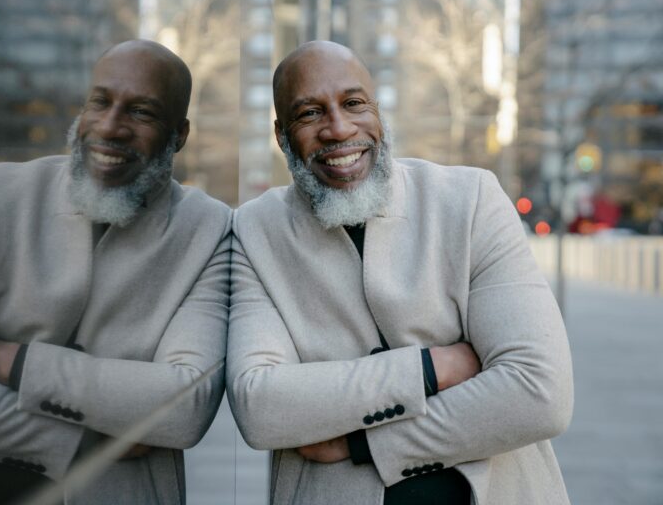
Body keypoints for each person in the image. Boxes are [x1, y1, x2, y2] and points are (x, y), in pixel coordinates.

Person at [227, 40, 573, 504]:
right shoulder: (255, 228)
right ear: (280, 134)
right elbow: (261, 407)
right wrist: (433, 368)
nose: (338, 128)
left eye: (354, 104)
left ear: (378, 112)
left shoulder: (471, 200)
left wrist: (362, 443)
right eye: (309, 113)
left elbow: (540, 394)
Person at [0, 40, 231, 504]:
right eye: (101, 102)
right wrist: (76, 444)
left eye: (142, 112)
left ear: (179, 135)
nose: (111, 127)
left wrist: (12, 362)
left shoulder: (208, 227)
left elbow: (185, 407)